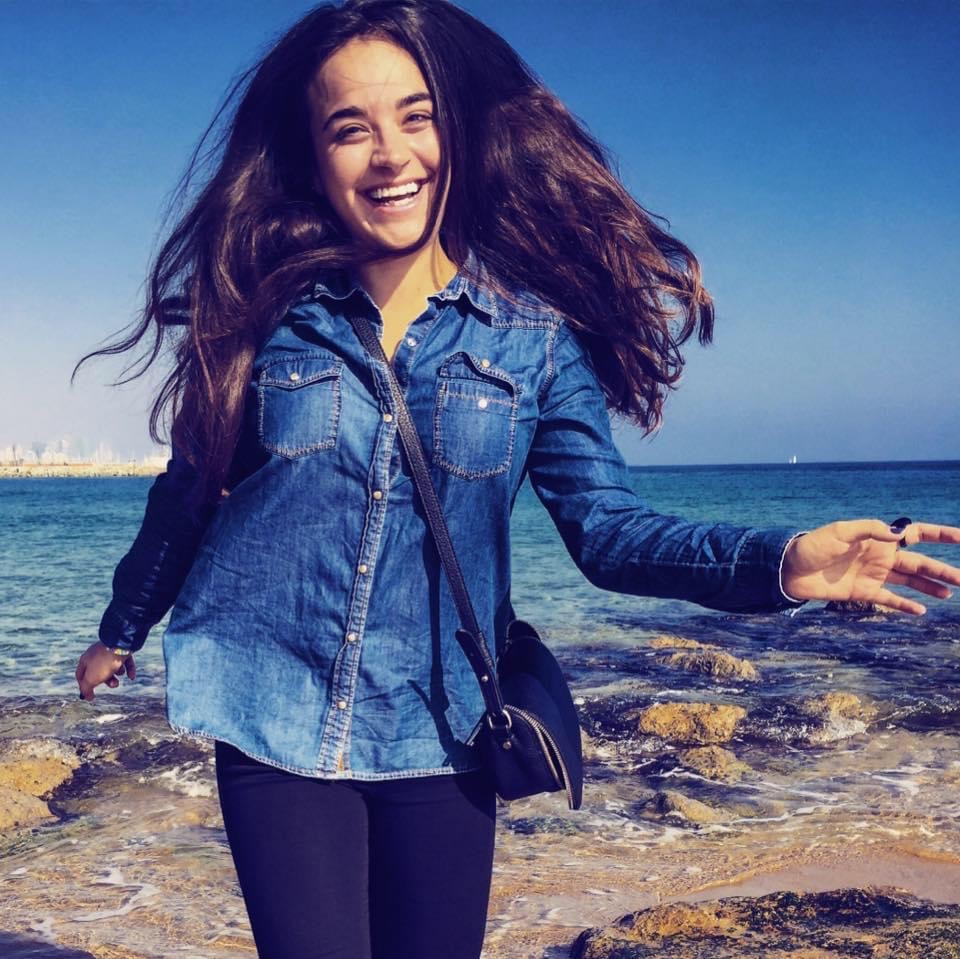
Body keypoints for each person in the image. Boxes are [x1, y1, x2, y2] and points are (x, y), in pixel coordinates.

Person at [72, 2, 960, 957]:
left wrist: (784, 563)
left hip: (446, 726)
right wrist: (120, 630)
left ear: (458, 128)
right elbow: (188, 493)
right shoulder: (266, 317)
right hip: (270, 708)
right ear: (312, 155)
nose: (389, 155)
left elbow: (609, 532)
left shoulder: (532, 341)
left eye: (417, 117)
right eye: (350, 127)